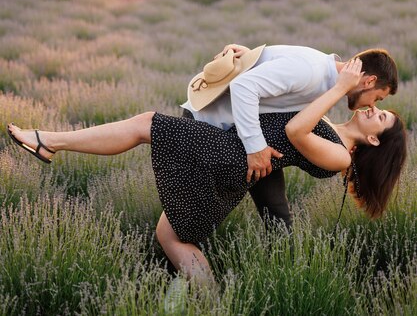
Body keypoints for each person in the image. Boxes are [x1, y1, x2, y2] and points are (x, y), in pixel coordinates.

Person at [7, 59, 407, 287]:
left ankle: (48, 141)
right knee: (172, 236)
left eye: (382, 115)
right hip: (238, 165)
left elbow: (294, 130)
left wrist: (339, 87)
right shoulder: (335, 126)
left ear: (375, 142)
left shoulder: (339, 156)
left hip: (232, 156)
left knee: (147, 123)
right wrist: (248, 57)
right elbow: (279, 99)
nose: (374, 108)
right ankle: (210, 301)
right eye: (379, 103)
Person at [181, 43, 399, 230]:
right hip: (212, 124)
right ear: (369, 82)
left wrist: (255, 62)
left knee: (279, 222)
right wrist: (256, 148)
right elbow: (244, 86)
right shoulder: (312, 71)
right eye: (378, 99)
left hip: (255, 146)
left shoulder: (324, 79)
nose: (372, 105)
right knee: (186, 225)